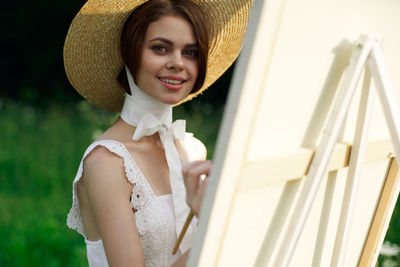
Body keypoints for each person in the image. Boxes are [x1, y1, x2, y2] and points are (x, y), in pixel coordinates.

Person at [64, 0, 252, 266]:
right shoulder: (106, 162)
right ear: (129, 52)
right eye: (160, 48)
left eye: (191, 52)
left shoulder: (192, 149)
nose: (177, 63)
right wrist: (211, 224)